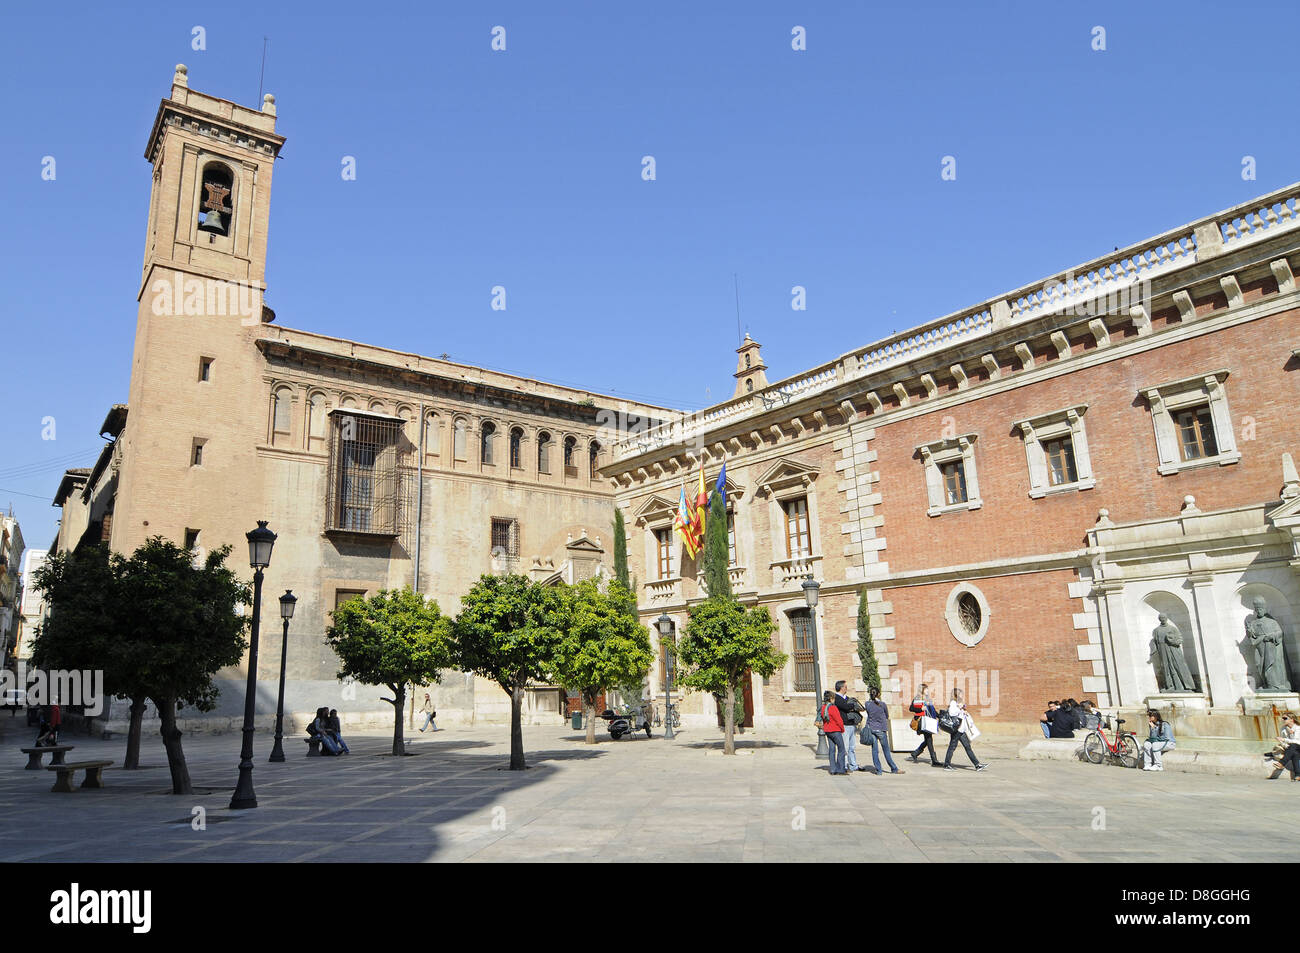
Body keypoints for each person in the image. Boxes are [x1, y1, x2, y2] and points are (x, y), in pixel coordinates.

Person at [942, 689, 988, 771]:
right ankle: (947, 764)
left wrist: (964, 711)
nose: (962, 695)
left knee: (967, 746)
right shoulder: (953, 703)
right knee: (952, 747)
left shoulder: (958, 703)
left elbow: (960, 714)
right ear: (956, 695)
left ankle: (977, 765)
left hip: (961, 729)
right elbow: (952, 713)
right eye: (960, 694)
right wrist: (959, 708)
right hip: (956, 730)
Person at [863, 689, 903, 775]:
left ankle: (879, 770)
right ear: (879, 694)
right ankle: (894, 768)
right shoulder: (882, 704)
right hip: (881, 729)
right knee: (886, 750)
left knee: (874, 750)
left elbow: (869, 713)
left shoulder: (867, 704)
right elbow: (886, 715)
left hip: (872, 729)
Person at [833, 680, 866, 772]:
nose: (846, 688)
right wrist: (852, 706)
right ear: (841, 688)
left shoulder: (847, 698)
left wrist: (852, 706)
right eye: (845, 687)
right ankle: (844, 766)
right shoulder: (837, 698)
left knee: (852, 747)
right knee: (845, 747)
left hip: (852, 724)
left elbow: (854, 706)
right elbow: (846, 707)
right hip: (844, 725)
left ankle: (853, 765)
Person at [907, 684, 941, 767]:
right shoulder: (918, 698)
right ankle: (934, 760)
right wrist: (920, 709)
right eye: (926, 690)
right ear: (922, 690)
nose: (927, 691)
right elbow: (911, 708)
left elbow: (932, 710)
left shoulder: (928, 699)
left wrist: (939, 716)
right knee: (929, 739)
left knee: (928, 740)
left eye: (927, 689)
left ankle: (916, 753)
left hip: (929, 720)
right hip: (922, 721)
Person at [820, 690, 848, 775]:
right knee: (841, 749)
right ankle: (840, 769)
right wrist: (842, 729)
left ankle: (833, 769)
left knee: (832, 750)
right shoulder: (833, 708)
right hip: (835, 730)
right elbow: (838, 720)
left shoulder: (823, 708)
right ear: (831, 699)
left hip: (828, 730)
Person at [1267, 711, 1300, 781]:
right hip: (1292, 749)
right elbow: (1282, 742)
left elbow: (1298, 742)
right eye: (1282, 718)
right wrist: (1285, 745)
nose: (1283, 720)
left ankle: (1282, 763)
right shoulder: (1284, 728)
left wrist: (1285, 739)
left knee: (1293, 746)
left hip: (1298, 746)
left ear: (1292, 719)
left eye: (1285, 718)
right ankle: (1298, 775)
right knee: (1295, 753)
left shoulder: (1298, 728)